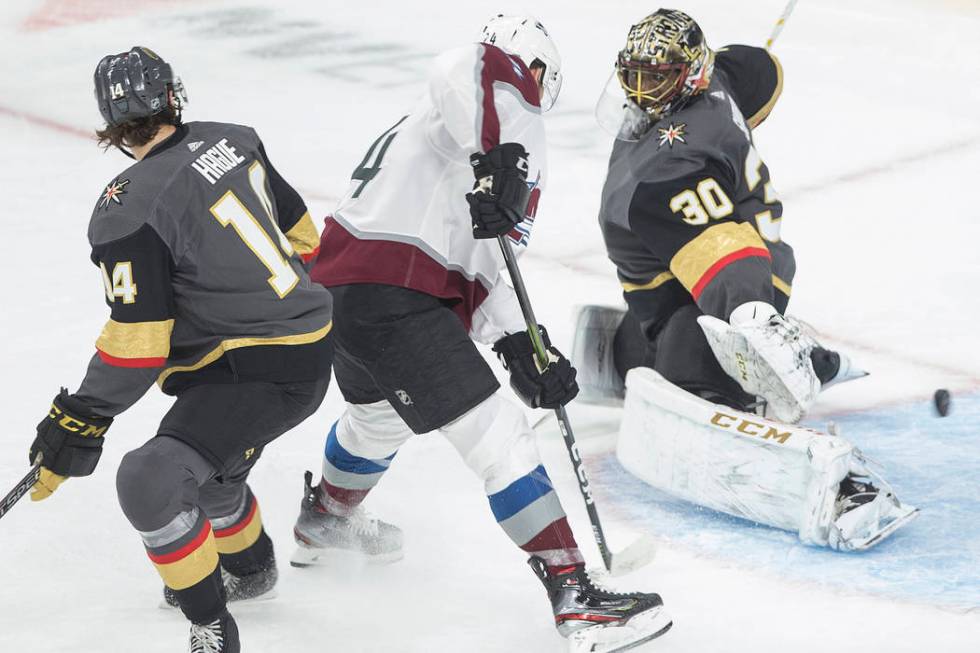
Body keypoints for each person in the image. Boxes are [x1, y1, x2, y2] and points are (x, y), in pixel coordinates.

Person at [292, 15, 672, 649]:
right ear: (533, 69)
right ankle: (576, 597)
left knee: (377, 422)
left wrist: (522, 341)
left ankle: (327, 517)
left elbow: (485, 259)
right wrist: (504, 157)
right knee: (502, 442)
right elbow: (469, 62)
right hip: (395, 296)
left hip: (343, 295)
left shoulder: (443, 134)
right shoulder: (493, 89)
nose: (533, 95)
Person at [26, 47, 334, 652]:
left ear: (110, 125)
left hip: (250, 369)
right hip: (303, 350)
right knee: (212, 471)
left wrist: (81, 416)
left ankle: (211, 626)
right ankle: (251, 570)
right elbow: (305, 240)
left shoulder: (126, 207)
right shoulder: (235, 138)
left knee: (152, 479)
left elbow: (140, 344)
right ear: (173, 96)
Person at [577, 9, 916, 551]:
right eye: (633, 75)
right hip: (724, 266)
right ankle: (655, 345)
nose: (641, 92)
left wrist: (752, 322)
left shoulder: (672, 171)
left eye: (656, 77)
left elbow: (723, 254)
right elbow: (764, 70)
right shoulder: (720, 80)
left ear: (688, 73)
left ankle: (831, 483)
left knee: (695, 355)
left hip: (722, 291)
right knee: (676, 314)